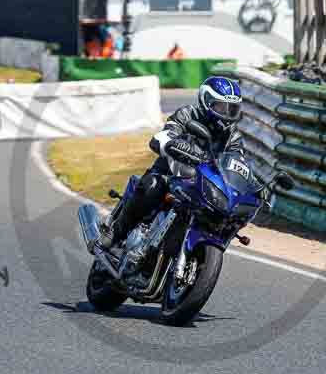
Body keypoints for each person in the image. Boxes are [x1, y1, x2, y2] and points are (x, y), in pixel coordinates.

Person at [98, 77, 245, 249]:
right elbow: (163, 136)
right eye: (221, 107)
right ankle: (116, 232)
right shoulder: (188, 114)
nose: (227, 113)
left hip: (202, 185)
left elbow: (236, 163)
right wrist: (173, 143)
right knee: (153, 185)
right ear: (206, 102)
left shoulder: (233, 136)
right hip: (170, 174)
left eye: (232, 109)